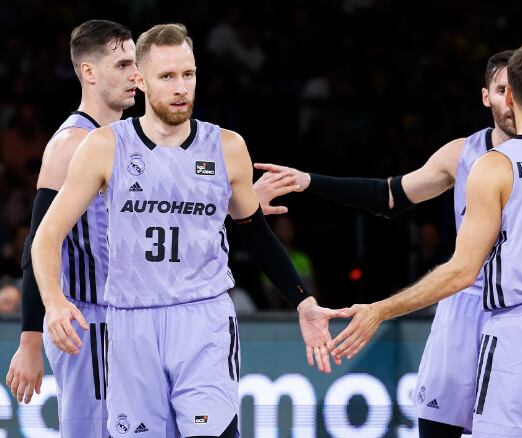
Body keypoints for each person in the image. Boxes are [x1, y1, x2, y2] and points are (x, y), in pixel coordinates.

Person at [31, 23, 342, 437]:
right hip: (131, 324)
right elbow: (46, 236)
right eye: (167, 77)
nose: (181, 88)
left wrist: (303, 302)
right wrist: (52, 303)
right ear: (140, 81)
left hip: (202, 319)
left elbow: (255, 232)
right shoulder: (104, 147)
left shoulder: (228, 147)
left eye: (188, 75)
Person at [330, 44, 522, 437]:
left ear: (512, 95)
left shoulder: (498, 165)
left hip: (521, 328)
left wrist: (381, 309)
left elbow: (462, 271)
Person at [254, 50, 516, 436]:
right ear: (485, 95)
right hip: (464, 307)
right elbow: (388, 197)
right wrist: (309, 181)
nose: (510, 100)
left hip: (517, 310)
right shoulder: (462, 153)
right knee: (437, 426)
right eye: (501, 89)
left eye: (518, 90)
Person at [5, 20, 137, 438]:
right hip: (87, 323)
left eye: (136, 63)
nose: (136, 74)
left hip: (128, 322)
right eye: (122, 64)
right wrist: (29, 342)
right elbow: (38, 244)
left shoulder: (125, 139)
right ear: (90, 72)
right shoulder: (71, 144)